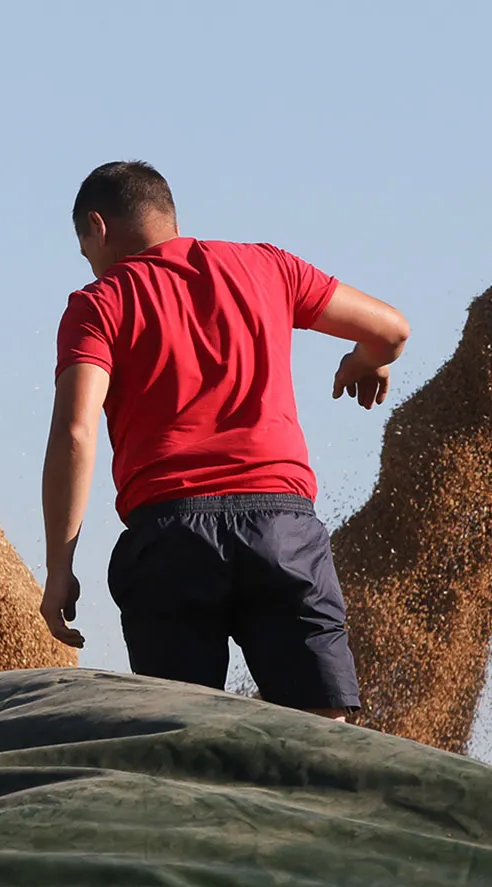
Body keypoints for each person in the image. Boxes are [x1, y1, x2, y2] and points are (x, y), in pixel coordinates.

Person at [40, 161, 409, 719]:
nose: (90, 265)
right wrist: (366, 360)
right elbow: (391, 329)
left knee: (185, 747)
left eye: (85, 248)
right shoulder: (268, 266)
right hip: (282, 530)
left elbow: (76, 430)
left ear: (98, 226)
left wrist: (59, 568)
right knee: (328, 733)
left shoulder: (101, 302)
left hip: (172, 539)